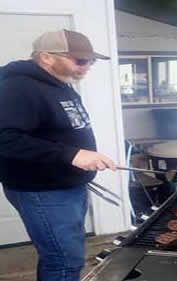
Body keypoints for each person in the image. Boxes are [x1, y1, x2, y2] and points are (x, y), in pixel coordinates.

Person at [0, 29, 117, 281]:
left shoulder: (60, 85)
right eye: (80, 60)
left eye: (90, 61)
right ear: (46, 58)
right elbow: (5, 138)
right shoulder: (17, 87)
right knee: (63, 261)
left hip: (66, 186)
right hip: (43, 190)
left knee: (66, 255)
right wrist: (71, 155)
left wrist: (78, 156)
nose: (87, 66)